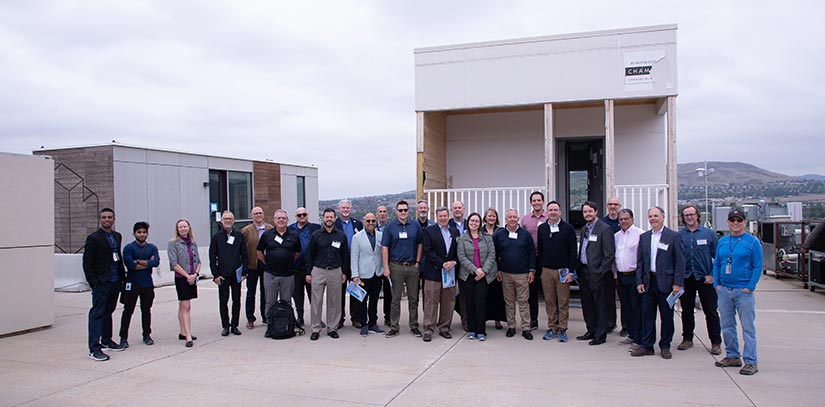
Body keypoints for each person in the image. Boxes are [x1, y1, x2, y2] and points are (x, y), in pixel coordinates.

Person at [713, 208, 763, 375]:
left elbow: (758, 266)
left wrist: (750, 286)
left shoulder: (752, 242)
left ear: (744, 223)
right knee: (727, 326)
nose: (735, 223)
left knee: (747, 327)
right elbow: (717, 263)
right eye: (732, 220)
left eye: (739, 220)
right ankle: (732, 355)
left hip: (743, 291)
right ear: (728, 222)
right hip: (724, 290)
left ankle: (751, 361)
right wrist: (717, 284)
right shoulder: (723, 241)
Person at [632, 207, 685, 359]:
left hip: (667, 283)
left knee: (666, 316)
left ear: (663, 217)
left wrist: (677, 283)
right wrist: (639, 281)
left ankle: (665, 345)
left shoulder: (673, 236)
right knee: (647, 316)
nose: (653, 219)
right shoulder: (644, 237)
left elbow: (680, 262)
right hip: (649, 282)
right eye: (650, 216)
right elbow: (640, 262)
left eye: (656, 216)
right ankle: (647, 345)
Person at [678, 204, 722, 355]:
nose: (689, 217)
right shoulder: (679, 235)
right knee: (687, 310)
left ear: (697, 215)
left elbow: (718, 257)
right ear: (683, 218)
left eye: (692, 214)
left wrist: (713, 275)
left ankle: (715, 342)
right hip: (686, 278)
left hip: (705, 278)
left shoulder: (709, 234)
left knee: (711, 311)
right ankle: (687, 339)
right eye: (686, 215)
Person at [84, 208, 127, 361]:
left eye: (109, 217)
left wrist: (122, 277)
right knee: (97, 313)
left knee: (109, 311)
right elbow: (87, 262)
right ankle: (94, 348)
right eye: (104, 217)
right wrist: (93, 282)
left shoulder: (117, 236)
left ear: (114, 219)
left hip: (115, 281)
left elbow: (118, 257)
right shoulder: (93, 238)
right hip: (101, 282)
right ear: (100, 219)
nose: (107, 220)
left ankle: (107, 340)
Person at [536, 201, 577, 343]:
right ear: (547, 212)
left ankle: (563, 328)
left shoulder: (568, 228)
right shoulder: (542, 228)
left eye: (556, 210)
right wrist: (541, 268)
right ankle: (552, 327)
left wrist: (571, 271)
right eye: (550, 210)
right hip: (547, 270)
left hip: (563, 270)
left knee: (563, 301)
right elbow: (540, 249)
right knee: (549, 301)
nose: (553, 212)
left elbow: (573, 251)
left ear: (560, 212)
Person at [306, 208, 350, 340]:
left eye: (331, 217)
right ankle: (315, 328)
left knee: (334, 301)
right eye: (327, 217)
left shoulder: (341, 235)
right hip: (318, 270)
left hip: (335, 271)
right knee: (316, 302)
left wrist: (344, 272)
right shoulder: (316, 235)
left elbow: (344, 255)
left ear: (335, 218)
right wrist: (308, 273)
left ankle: (332, 328)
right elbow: (310, 255)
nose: (329, 219)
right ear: (323, 218)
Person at [382, 200, 424, 338]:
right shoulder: (390, 227)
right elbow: (385, 247)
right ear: (396, 211)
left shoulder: (415, 225)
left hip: (412, 267)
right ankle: (394, 326)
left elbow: (420, 244)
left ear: (408, 210)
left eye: (405, 210)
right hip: (396, 267)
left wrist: (417, 262)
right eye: (400, 210)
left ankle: (414, 325)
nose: (403, 212)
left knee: (413, 298)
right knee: (395, 299)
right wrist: (386, 267)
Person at [257, 209, 301, 337]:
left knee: (286, 301)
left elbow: (297, 252)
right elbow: (259, 252)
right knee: (270, 302)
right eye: (279, 218)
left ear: (287, 220)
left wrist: (288, 261)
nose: (281, 220)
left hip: (288, 274)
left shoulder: (293, 235)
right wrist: (267, 263)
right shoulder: (267, 235)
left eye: (283, 218)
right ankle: (271, 327)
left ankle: (286, 326)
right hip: (271, 274)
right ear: (274, 220)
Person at [576, 201, 616, 346]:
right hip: (584, 271)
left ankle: (600, 334)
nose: (587, 214)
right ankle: (591, 330)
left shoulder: (604, 229)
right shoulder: (584, 229)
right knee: (587, 304)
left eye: (590, 211)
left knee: (600, 305)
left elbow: (609, 254)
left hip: (598, 274)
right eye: (585, 212)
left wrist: (600, 271)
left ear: (596, 212)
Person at [493, 209, 536, 340]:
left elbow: (531, 253)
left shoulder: (525, 234)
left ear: (518, 219)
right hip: (505, 274)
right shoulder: (499, 235)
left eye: (514, 217)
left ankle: (526, 328)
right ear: (506, 219)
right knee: (509, 302)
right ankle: (511, 326)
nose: (512, 219)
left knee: (523, 302)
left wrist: (531, 270)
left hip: (522, 274)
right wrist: (498, 270)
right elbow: (495, 254)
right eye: (510, 217)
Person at [456, 212, 498, 341]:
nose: (474, 223)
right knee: (470, 303)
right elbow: (461, 257)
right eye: (472, 221)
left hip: (484, 275)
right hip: (468, 275)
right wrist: (475, 270)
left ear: (480, 223)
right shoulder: (462, 238)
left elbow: (492, 255)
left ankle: (481, 331)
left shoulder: (487, 238)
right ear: (468, 222)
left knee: (480, 302)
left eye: (476, 221)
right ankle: (471, 329)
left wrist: (483, 271)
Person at [421, 207, 460, 342]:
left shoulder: (454, 231)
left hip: (449, 274)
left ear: (448, 216)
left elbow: (458, 250)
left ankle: (444, 328)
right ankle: (428, 329)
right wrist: (442, 263)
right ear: (436, 217)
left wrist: (453, 262)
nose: (443, 218)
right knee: (431, 302)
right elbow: (427, 251)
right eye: (440, 216)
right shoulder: (429, 231)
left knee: (448, 302)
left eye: (445, 216)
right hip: (434, 273)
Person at [119, 221, 160, 347]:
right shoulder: (128, 248)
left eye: (144, 232)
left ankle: (146, 335)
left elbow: (156, 262)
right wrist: (147, 263)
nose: (142, 234)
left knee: (146, 310)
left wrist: (138, 261)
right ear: (134, 234)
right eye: (139, 232)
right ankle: (123, 337)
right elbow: (130, 265)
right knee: (128, 310)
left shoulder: (152, 247)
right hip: (132, 283)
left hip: (147, 284)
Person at [209, 211, 248, 337]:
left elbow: (244, 254)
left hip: (236, 275)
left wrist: (244, 272)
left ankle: (235, 325)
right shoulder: (216, 237)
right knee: (223, 301)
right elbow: (212, 257)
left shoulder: (239, 236)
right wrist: (215, 275)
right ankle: (225, 326)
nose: (228, 221)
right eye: (225, 219)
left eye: (230, 219)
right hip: (222, 275)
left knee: (236, 300)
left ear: (234, 221)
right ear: (221, 221)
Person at [350, 213, 386, 336]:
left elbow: (382, 254)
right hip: (362, 274)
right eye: (368, 221)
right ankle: (363, 324)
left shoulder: (380, 236)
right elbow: (354, 257)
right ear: (364, 222)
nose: (371, 223)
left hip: (377, 273)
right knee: (362, 301)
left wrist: (383, 269)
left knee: (374, 300)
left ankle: (373, 323)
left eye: (373, 221)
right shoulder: (357, 237)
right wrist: (355, 275)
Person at [168, 218, 201, 348]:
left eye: (185, 226)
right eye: (180, 227)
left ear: (189, 227)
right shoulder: (173, 243)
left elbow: (198, 261)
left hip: (192, 277)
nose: (183, 229)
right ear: (177, 229)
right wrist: (187, 276)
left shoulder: (193, 243)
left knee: (183, 305)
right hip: (182, 278)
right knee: (186, 306)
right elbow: (174, 263)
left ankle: (183, 331)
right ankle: (188, 336)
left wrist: (195, 274)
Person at [614, 209, 644, 349]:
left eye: (626, 218)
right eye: (621, 219)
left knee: (637, 308)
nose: (623, 221)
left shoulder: (640, 234)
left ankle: (639, 338)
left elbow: (643, 258)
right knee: (626, 308)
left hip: (635, 276)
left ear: (632, 219)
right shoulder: (616, 236)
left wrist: (641, 279)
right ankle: (631, 334)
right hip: (621, 276)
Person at [240, 207, 272, 329]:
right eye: (255, 213)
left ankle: (265, 316)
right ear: (252, 216)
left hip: (266, 265)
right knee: (251, 293)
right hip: (252, 265)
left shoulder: (270, 228)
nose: (258, 215)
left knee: (266, 292)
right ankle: (250, 318)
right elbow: (242, 250)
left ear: (263, 215)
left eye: (260, 213)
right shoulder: (246, 231)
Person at [334, 199, 364, 329]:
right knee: (339, 292)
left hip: (354, 262)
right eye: (343, 208)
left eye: (347, 208)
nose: (345, 210)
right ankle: (339, 318)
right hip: (340, 262)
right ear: (339, 209)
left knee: (355, 291)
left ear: (351, 209)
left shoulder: (358, 224)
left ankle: (355, 318)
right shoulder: (334, 224)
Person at [290, 207, 321, 326]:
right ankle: (300, 317)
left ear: (307, 215)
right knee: (297, 294)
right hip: (296, 268)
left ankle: (316, 318)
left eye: (304, 214)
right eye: (299, 215)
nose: (302, 217)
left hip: (312, 268)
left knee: (314, 295)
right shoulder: (290, 229)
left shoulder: (316, 228)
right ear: (296, 217)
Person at [521, 191, 547, 331]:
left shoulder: (549, 217)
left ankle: (554, 322)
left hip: (547, 258)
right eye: (534, 200)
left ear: (543, 202)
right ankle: (533, 320)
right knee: (532, 291)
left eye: (539, 200)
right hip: (531, 258)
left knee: (549, 291)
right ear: (531, 203)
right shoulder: (525, 219)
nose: (537, 203)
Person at [482, 208, 506, 329]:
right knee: (484, 295)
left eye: (493, 216)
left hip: (497, 267)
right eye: (489, 216)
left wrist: (500, 268)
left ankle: (498, 320)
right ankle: (483, 318)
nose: (491, 218)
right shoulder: (480, 231)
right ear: (485, 218)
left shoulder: (501, 231)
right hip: (483, 267)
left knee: (497, 295)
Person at [602, 197, 622, 334]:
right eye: (610, 204)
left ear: (619, 206)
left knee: (623, 297)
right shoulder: (603, 222)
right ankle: (610, 323)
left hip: (622, 263)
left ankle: (626, 326)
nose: (613, 206)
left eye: (615, 204)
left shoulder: (624, 220)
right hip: (608, 264)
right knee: (608, 296)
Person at [449, 200, 468, 330]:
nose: (457, 210)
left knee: (465, 295)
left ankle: (466, 321)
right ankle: (446, 323)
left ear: (463, 209)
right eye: (455, 208)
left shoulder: (469, 224)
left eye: (459, 207)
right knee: (449, 295)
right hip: (452, 264)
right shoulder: (447, 224)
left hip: (466, 265)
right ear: (452, 210)